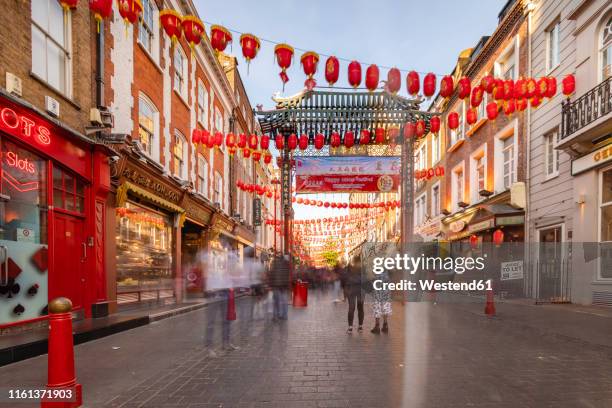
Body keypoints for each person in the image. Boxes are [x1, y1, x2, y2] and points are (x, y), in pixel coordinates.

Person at [346, 255, 364, 333]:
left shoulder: (350, 268)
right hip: (361, 290)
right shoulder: (363, 268)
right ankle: (360, 327)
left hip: (351, 290)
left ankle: (350, 328)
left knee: (351, 308)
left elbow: (346, 279)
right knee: (360, 308)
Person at [269, 254, 290, 320]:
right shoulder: (286, 265)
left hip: (276, 285)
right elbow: (288, 275)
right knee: (284, 302)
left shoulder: (275, 264)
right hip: (284, 286)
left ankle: (276, 316)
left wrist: (271, 284)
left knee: (276, 302)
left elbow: (272, 274)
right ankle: (284, 315)